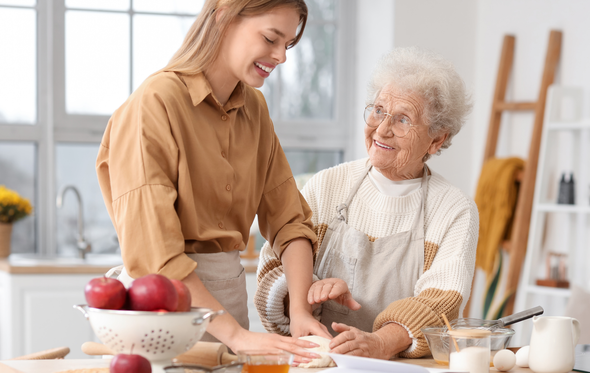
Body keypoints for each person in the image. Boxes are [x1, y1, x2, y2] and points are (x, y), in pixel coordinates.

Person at [96, 0, 331, 362]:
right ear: (223, 16)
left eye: (288, 44)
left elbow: (290, 222)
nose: (281, 56)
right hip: (163, 312)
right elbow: (157, 256)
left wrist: (299, 311)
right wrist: (236, 335)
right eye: (271, 38)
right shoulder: (153, 104)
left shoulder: (255, 110)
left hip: (229, 314)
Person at [255, 47, 479, 359]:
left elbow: (441, 301)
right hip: (317, 363)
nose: (382, 129)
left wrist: (381, 343)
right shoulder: (326, 185)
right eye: (378, 110)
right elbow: (270, 269)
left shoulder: (454, 210)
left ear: (437, 139)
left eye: (402, 119)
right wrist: (309, 290)